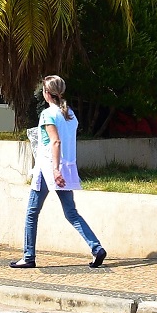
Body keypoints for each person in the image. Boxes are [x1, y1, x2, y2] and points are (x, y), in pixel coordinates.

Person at [13, 75, 107, 270]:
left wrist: (55, 170)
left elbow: (55, 142)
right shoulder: (70, 114)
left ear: (47, 93)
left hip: (48, 169)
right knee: (71, 213)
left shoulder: (48, 114)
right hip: (66, 168)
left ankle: (28, 256)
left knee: (32, 213)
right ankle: (96, 248)